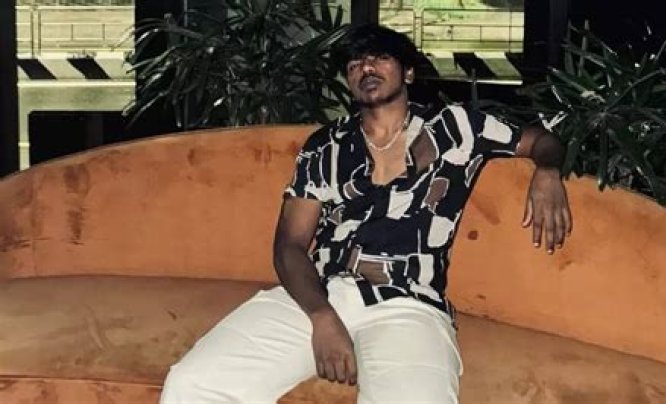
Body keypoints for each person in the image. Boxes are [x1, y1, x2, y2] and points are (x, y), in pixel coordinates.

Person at [159, 23, 572, 404]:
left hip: (408, 302)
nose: (366, 67)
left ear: (408, 72)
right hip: (322, 291)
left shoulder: (456, 128)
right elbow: (289, 245)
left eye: (379, 58)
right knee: (193, 384)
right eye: (355, 63)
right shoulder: (326, 145)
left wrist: (548, 172)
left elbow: (542, 140)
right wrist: (321, 315)